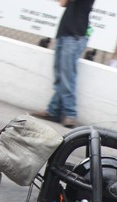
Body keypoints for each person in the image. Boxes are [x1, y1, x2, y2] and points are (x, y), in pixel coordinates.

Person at [34, 0, 95, 129]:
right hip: (66, 33)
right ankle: (54, 110)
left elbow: (62, 2)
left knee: (67, 76)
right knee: (60, 76)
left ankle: (70, 114)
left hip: (74, 35)